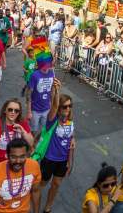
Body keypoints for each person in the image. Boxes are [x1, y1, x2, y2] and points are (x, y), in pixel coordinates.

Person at [0, 138, 41, 213]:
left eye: (22, 156)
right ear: (7, 156)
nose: (18, 161)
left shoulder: (34, 166)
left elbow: (35, 191)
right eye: (13, 157)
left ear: (27, 155)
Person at [39, 79, 75, 213]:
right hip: (49, 159)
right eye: (64, 106)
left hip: (62, 160)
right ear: (59, 109)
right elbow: (54, 106)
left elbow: (70, 135)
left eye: (70, 106)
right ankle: (30, 203)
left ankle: (48, 206)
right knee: (41, 185)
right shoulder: (52, 120)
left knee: (56, 185)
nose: (68, 109)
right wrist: (56, 91)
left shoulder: (70, 120)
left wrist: (73, 139)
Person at [0, 99, 33, 171]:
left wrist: (24, 133)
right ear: (5, 111)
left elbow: (31, 142)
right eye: (10, 109)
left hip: (14, 165)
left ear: (19, 113)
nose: (13, 112)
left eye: (16, 111)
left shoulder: (22, 123)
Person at [25, 63, 55, 137]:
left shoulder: (52, 73)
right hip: (35, 110)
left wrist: (52, 106)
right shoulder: (35, 75)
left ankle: (41, 147)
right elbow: (28, 94)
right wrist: (29, 111)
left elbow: (52, 91)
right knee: (33, 131)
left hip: (47, 108)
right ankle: (32, 146)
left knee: (45, 130)